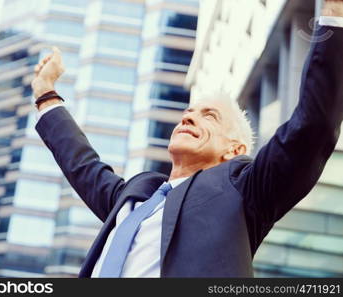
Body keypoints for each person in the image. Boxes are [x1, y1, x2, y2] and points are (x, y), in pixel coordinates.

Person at [30, 1, 343, 277]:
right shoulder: (136, 193)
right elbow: (82, 165)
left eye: (209, 115)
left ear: (234, 150)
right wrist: (46, 94)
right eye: (189, 111)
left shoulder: (246, 189)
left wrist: (334, 10)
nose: (188, 116)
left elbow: (312, 127)